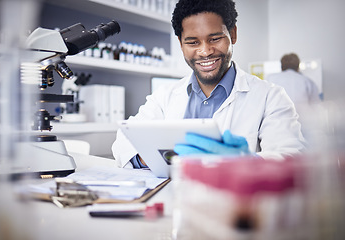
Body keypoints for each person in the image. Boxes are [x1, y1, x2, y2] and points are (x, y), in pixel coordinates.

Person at [112, 0, 306, 169]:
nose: (205, 52)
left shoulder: (270, 97)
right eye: (193, 42)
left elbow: (292, 157)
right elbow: (124, 140)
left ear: (233, 34)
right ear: (181, 43)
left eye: (214, 39)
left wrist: (245, 162)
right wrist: (160, 157)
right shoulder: (165, 96)